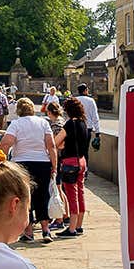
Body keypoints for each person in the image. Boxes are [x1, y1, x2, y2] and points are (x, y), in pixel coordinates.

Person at [0, 98, 58, 243]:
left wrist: (3, 161)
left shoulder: (16, 124)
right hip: (42, 163)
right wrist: (54, 165)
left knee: (25, 198)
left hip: (22, 164)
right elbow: (51, 146)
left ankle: (29, 232)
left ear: (19, 110)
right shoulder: (43, 123)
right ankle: (45, 230)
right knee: (42, 195)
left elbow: (6, 143)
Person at [54, 98, 90, 237]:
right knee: (80, 193)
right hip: (81, 161)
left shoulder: (70, 124)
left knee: (71, 195)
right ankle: (79, 225)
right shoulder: (83, 123)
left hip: (70, 162)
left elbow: (56, 142)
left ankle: (71, 228)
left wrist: (62, 145)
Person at [75, 84, 101, 151]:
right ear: (85, 91)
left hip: (76, 127)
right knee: (85, 150)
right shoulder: (91, 101)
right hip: (87, 128)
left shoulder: (75, 100)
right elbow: (95, 116)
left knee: (76, 150)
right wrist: (97, 132)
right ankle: (85, 161)